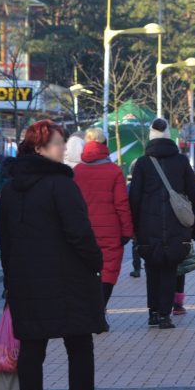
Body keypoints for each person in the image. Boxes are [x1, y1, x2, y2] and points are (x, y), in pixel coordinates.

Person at [0, 119, 108, 390]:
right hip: (69, 281)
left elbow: (5, 240)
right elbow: (80, 233)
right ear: (40, 147)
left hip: (26, 284)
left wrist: (11, 279)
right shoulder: (61, 185)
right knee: (79, 348)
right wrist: (95, 263)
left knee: (32, 351)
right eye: (58, 143)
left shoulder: (9, 189)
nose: (63, 148)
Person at [128, 119, 195, 329]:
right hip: (176, 227)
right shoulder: (180, 162)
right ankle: (165, 314)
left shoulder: (142, 164)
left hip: (147, 226)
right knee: (170, 268)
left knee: (152, 268)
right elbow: (194, 194)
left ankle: (153, 313)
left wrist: (133, 227)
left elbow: (134, 198)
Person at [72, 128, 134, 332]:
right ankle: (99, 312)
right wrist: (127, 231)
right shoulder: (114, 171)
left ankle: (90, 314)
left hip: (84, 230)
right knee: (108, 271)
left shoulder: (77, 172)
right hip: (110, 231)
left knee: (86, 270)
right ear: (105, 144)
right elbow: (121, 204)